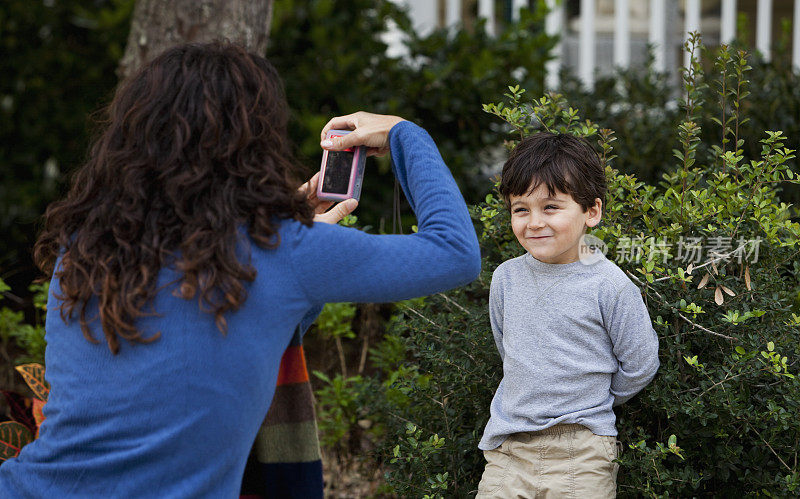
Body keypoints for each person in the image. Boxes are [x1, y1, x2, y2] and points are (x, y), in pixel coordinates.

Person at [0, 42, 480, 497]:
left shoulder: (86, 244)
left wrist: (278, 231)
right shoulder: (289, 252)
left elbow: (218, 345)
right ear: (253, 142)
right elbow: (455, 252)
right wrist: (403, 134)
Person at [475, 132, 660, 498]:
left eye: (551, 207)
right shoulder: (506, 278)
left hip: (583, 450)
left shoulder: (610, 285)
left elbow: (640, 363)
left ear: (592, 211)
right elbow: (508, 348)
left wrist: (591, 398)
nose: (534, 222)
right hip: (508, 450)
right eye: (521, 209)